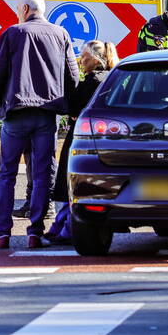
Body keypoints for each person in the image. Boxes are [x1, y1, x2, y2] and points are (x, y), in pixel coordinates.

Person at [0, 0, 79, 250]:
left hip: (16, 112)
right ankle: (35, 232)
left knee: (7, 175)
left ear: (25, 10)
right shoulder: (61, 35)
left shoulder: (13, 33)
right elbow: (73, 76)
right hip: (47, 115)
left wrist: (2, 99)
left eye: (18, 9)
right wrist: (68, 107)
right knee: (41, 175)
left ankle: (2, 233)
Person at [45, 40, 119, 244]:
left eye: (84, 58)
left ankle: (66, 228)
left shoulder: (92, 81)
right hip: (104, 138)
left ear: (95, 60)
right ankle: (64, 226)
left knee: (69, 181)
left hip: (83, 136)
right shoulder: (110, 78)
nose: (80, 61)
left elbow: (72, 105)